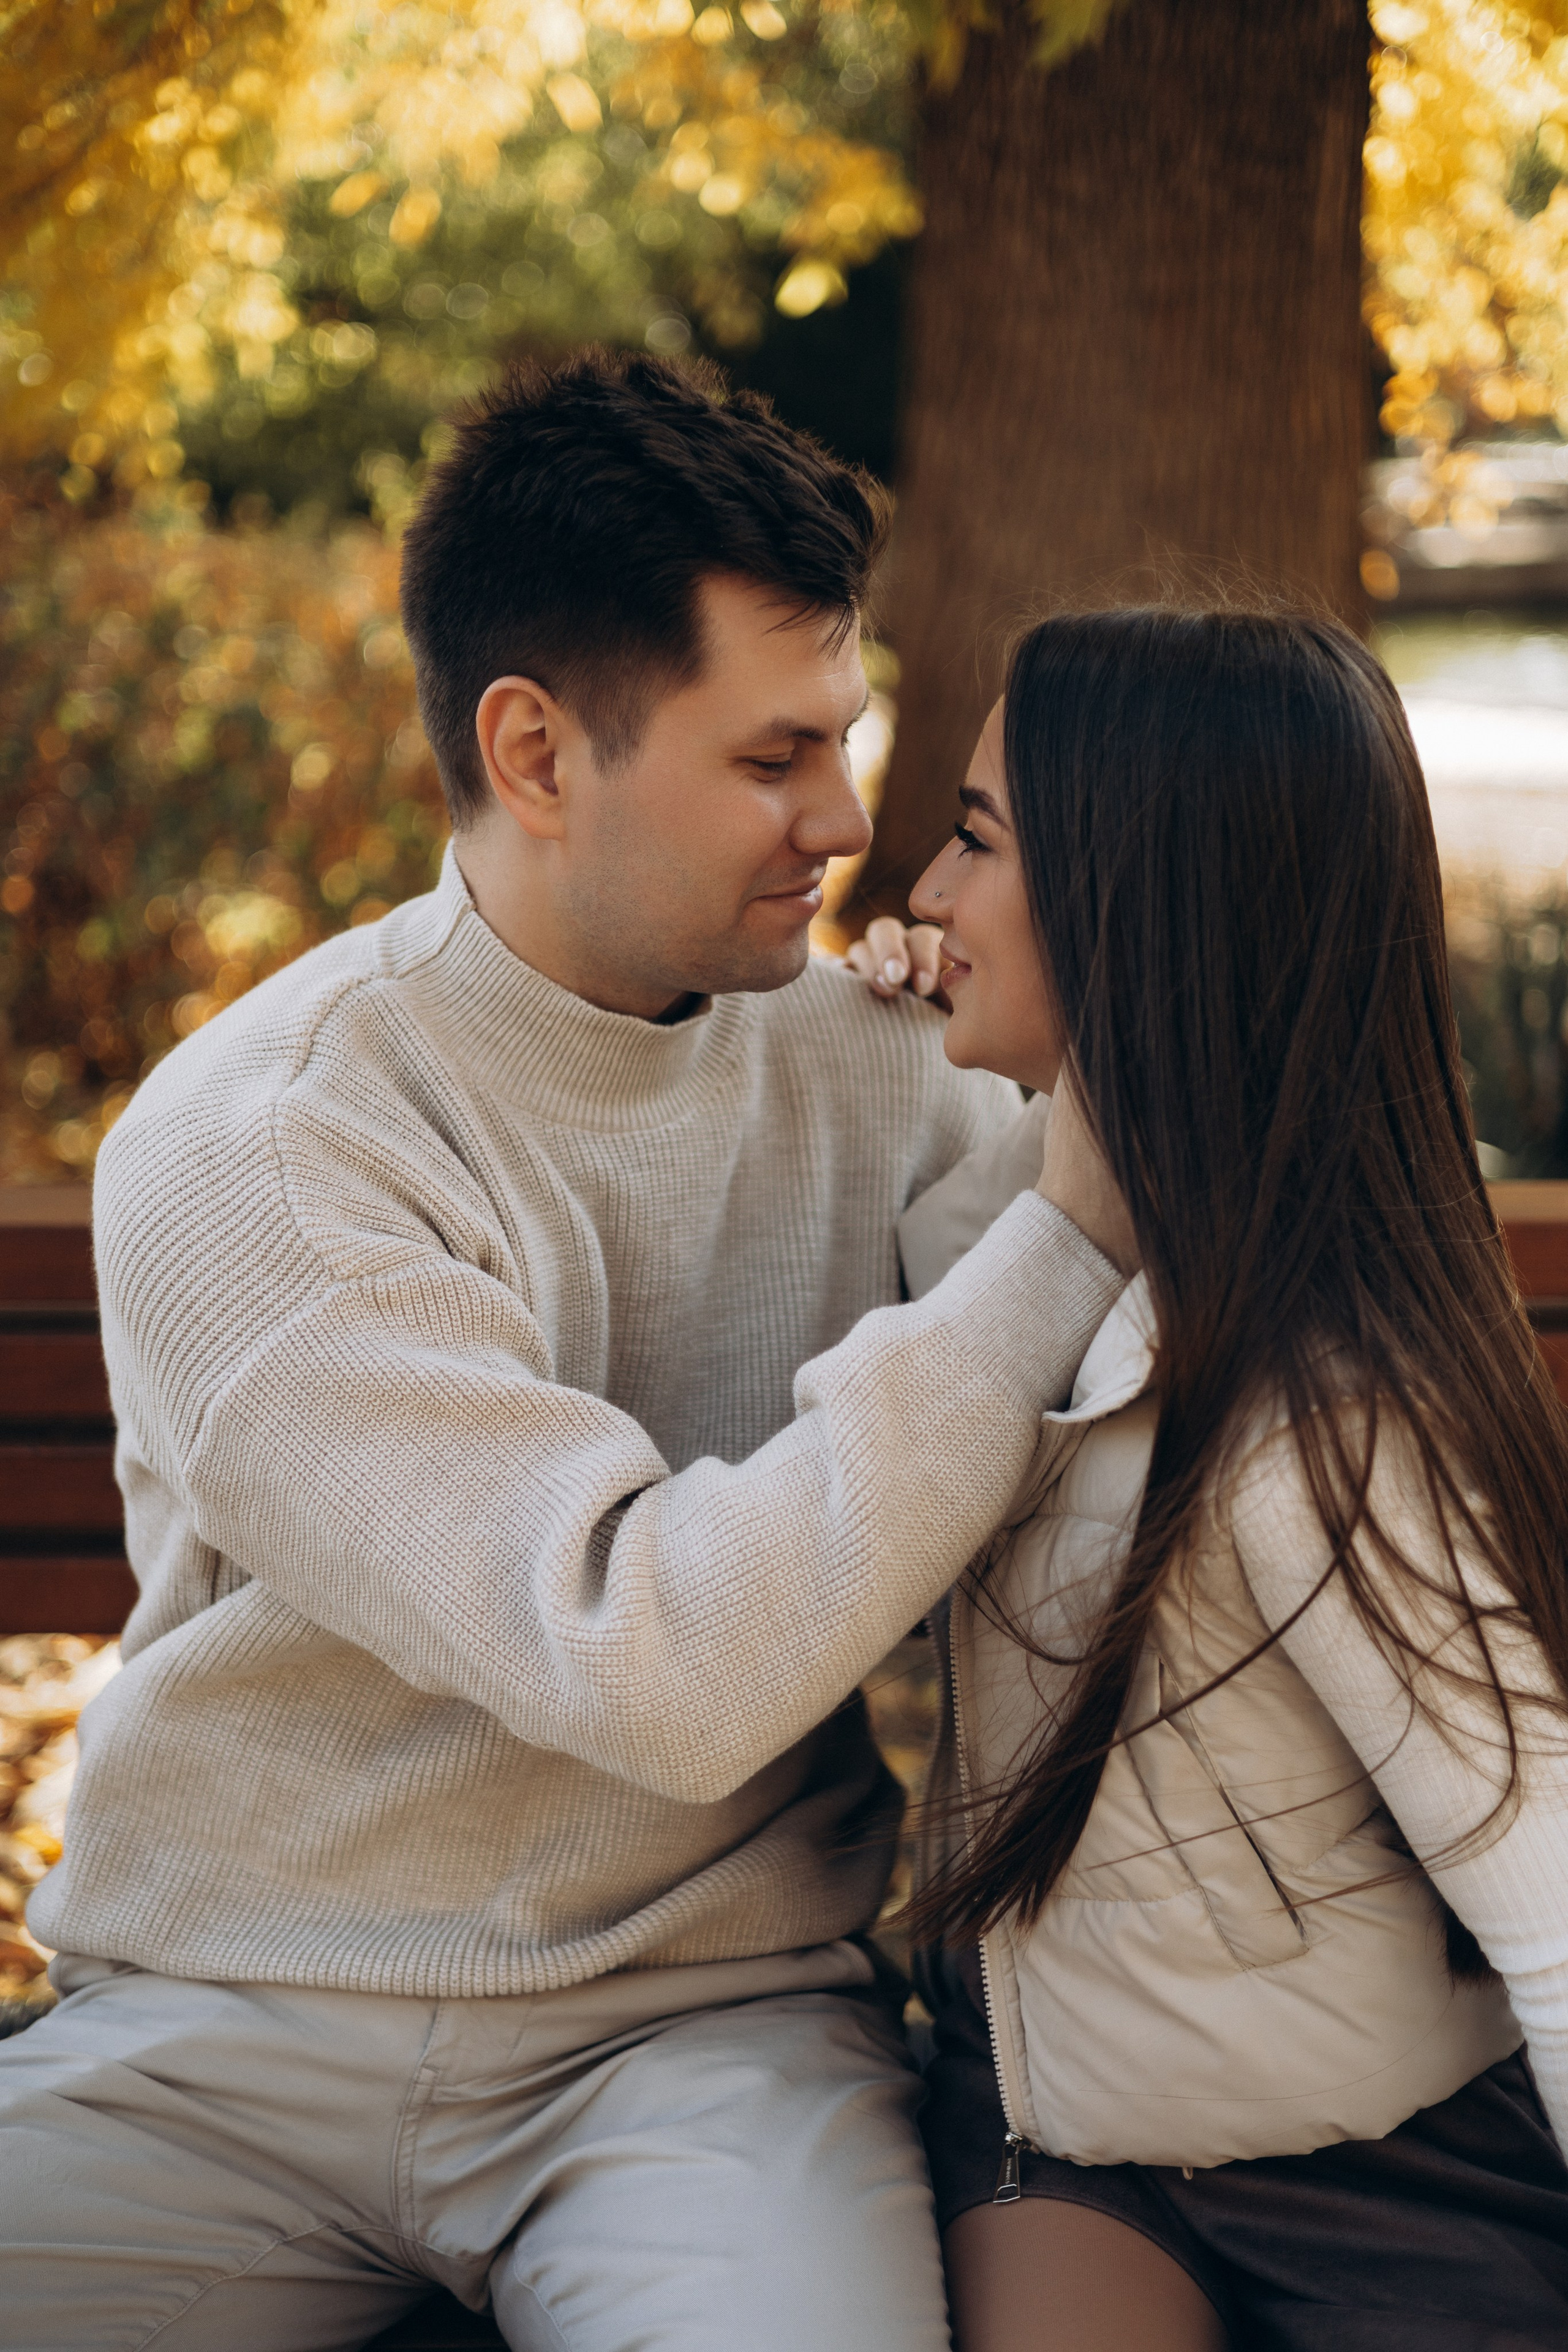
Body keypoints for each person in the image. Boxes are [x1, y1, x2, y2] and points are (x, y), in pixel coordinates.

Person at [0, 355, 1131, 2349]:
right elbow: (652, 1662)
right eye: (775, 758)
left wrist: (1055, 1101)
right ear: (536, 753)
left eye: (847, 742)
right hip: (229, 2035)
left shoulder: (878, 1067)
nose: (848, 818)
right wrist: (1065, 1230)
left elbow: (1126, 1368)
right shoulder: (264, 1143)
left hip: (699, 2043)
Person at [895, 606, 1568, 2351]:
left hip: (1395, 2174)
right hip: (1062, 2152)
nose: (927, 896)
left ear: (1140, 908)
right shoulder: (996, 1256)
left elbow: (1556, 1916)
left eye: (976, 840)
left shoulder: (1331, 1422)